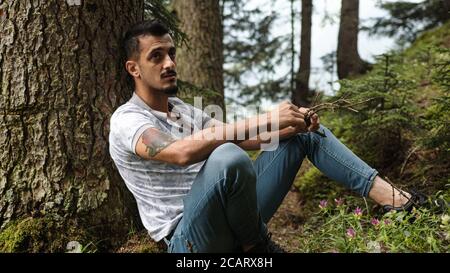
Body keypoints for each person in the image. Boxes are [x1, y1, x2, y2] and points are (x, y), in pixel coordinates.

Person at [108, 20, 423, 253]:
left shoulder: (185, 110)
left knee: (303, 136)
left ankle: (399, 202)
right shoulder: (128, 119)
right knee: (226, 156)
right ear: (133, 68)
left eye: (172, 54)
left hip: (236, 218)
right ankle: (258, 246)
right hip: (192, 240)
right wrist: (268, 117)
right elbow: (180, 153)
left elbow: (245, 140)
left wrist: (291, 127)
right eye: (157, 56)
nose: (170, 63)